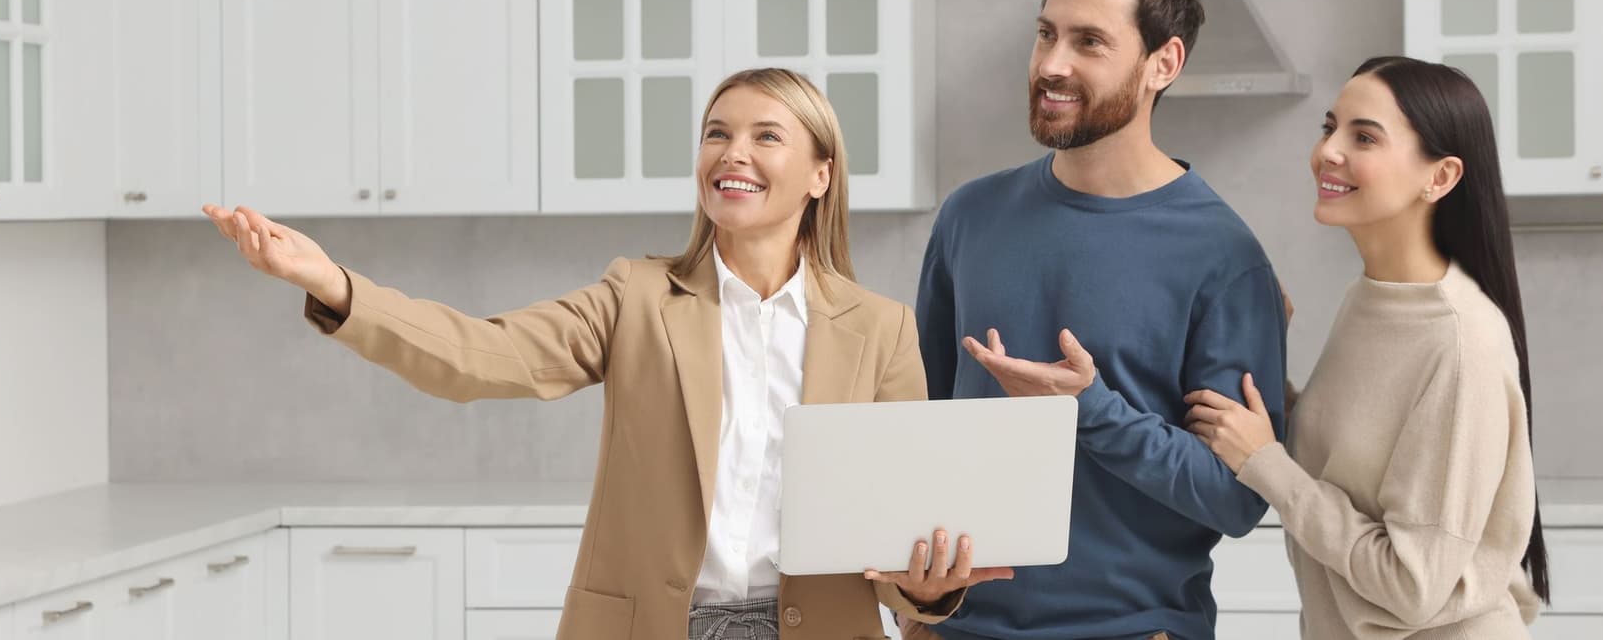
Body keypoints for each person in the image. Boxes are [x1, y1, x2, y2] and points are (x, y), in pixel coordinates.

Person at [203, 68, 1010, 640]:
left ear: (820, 175)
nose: (732, 152)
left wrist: (924, 592)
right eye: (716, 134)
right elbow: (481, 356)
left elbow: (903, 532)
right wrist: (334, 282)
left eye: (767, 135)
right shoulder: (636, 296)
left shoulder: (880, 328)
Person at [902, 0, 1289, 640]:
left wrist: (1090, 409)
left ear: (1162, 63)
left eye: (1089, 42)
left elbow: (1237, 501)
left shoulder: (1224, 258)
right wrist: (914, 594)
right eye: (1046, 34)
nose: (1051, 63)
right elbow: (917, 430)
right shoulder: (969, 217)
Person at [1188, 56, 1550, 639]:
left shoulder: (1461, 344)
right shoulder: (1374, 299)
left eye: (1364, 137)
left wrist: (1267, 467)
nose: (1329, 151)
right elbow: (1350, 461)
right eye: (1330, 127)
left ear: (1440, 177)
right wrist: (1262, 352)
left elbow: (1411, 585)